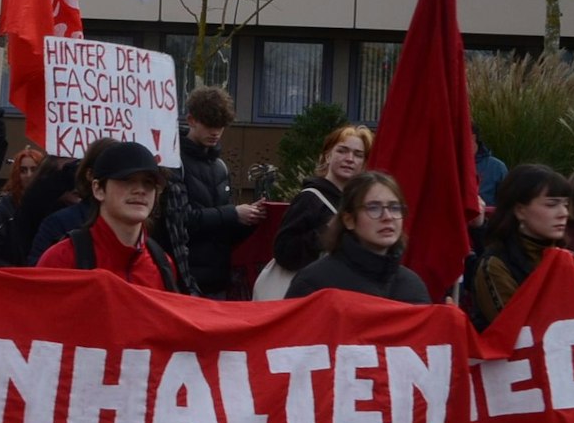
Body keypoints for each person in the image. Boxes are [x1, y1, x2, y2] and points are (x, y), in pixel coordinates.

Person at [35, 141, 181, 290]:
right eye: (127, 180)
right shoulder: (63, 258)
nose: (140, 190)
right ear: (98, 189)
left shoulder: (162, 264)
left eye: (149, 182)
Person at [285, 171, 429, 304]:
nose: (388, 217)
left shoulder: (413, 286)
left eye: (394, 207)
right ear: (349, 220)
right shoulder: (314, 283)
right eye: (374, 208)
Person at [178, 87, 266, 297]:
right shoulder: (175, 162)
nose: (215, 132)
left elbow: (224, 231)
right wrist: (234, 213)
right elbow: (180, 220)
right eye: (209, 125)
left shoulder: (220, 167)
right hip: (183, 277)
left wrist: (250, 219)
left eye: (220, 126)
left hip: (218, 278)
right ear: (191, 120)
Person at [267, 125, 373, 282]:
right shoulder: (309, 199)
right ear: (327, 156)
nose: (349, 159)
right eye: (342, 151)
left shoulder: (357, 204)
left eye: (358, 154)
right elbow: (284, 252)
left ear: (364, 164)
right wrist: (327, 230)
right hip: (308, 293)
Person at [469, 164, 571, 326]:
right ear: (520, 210)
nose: (563, 213)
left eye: (565, 205)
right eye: (551, 204)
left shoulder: (567, 258)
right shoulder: (495, 265)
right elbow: (514, 330)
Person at [0, 148, 45, 267]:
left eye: (34, 169)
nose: (29, 175)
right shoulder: (4, 208)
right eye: (23, 170)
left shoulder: (52, 204)